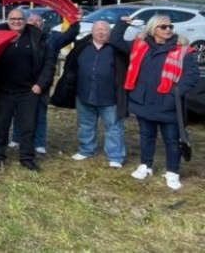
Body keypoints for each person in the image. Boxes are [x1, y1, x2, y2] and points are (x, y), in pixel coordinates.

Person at [110, 14, 199, 190]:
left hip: (169, 103)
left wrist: (176, 92)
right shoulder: (140, 45)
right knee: (146, 135)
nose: (168, 30)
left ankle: (172, 172)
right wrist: (122, 23)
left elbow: (192, 75)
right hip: (143, 101)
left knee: (172, 140)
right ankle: (146, 165)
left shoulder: (182, 49)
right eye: (163, 27)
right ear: (153, 28)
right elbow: (116, 41)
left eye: (170, 27)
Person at [0, 8, 55, 172]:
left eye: (19, 19)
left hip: (28, 91)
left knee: (28, 126)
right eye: (12, 19)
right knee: (1, 125)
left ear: (25, 20)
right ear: (7, 20)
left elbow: (48, 64)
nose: (16, 21)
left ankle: (27, 158)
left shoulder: (37, 37)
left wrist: (40, 84)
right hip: (4, 91)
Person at [10, 13, 80, 154]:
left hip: (42, 83)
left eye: (38, 20)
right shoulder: (20, 36)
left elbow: (70, 35)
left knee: (40, 114)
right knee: (18, 113)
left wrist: (74, 20)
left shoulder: (51, 39)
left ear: (43, 24)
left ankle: (39, 143)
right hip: (23, 83)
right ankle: (16, 139)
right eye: (31, 20)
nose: (35, 23)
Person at [62, 21, 128, 168]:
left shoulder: (117, 49)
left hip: (110, 97)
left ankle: (115, 156)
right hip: (84, 94)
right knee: (85, 125)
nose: (101, 32)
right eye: (97, 29)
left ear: (109, 32)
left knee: (114, 127)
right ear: (92, 31)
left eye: (104, 30)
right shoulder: (82, 47)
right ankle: (86, 150)